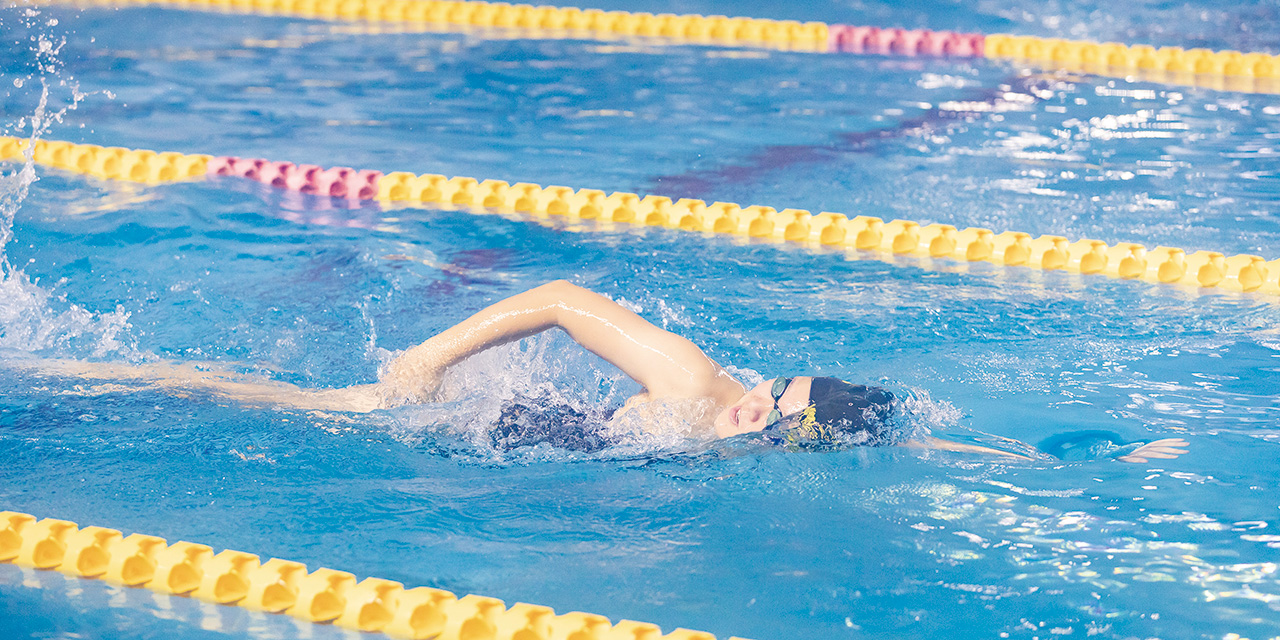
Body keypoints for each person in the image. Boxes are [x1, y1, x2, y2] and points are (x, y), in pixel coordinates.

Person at [15, 280, 1189, 462]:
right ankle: (65, 371)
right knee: (256, 399)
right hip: (448, 411)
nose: (753, 408)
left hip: (525, 435)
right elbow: (566, 299)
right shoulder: (687, 383)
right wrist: (422, 358)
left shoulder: (752, 436)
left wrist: (1064, 461)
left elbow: (922, 438)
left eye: (772, 418)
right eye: (769, 397)